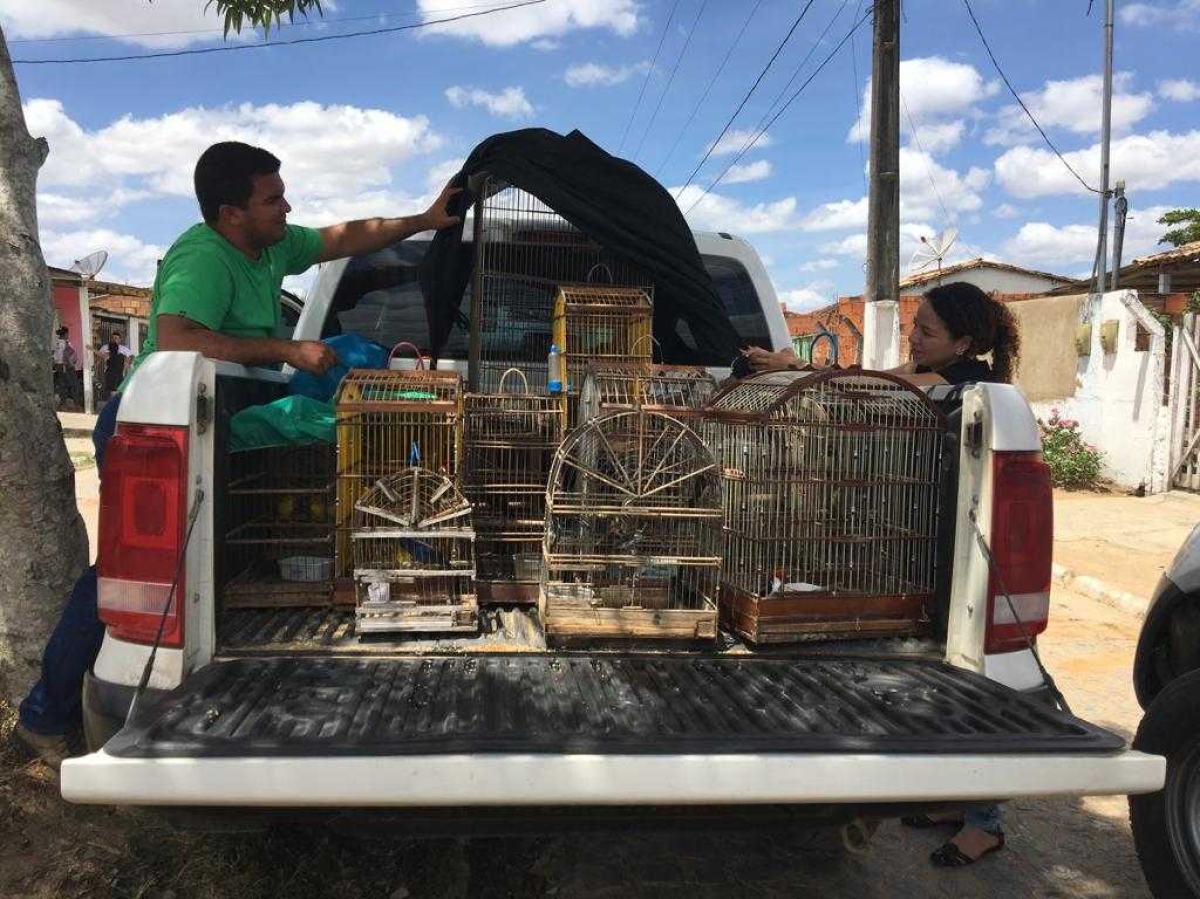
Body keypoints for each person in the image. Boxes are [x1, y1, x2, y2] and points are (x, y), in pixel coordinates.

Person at [16, 140, 462, 767]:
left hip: (227, 410)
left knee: (220, 553)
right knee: (127, 578)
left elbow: (342, 238)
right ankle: (44, 716)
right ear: (231, 213)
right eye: (273, 198)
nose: (287, 207)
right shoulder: (203, 257)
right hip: (161, 417)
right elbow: (174, 340)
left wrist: (423, 220)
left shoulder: (271, 243)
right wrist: (286, 353)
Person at [745, 281, 1021, 866]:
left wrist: (798, 366)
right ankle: (954, 800)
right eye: (914, 324)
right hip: (928, 546)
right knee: (944, 683)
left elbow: (878, 385)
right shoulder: (937, 367)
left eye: (926, 330)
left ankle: (986, 820)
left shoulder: (969, 384)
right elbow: (882, 376)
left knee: (974, 683)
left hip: (963, 551)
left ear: (964, 341)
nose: (913, 337)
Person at [97, 330, 132, 401]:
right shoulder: (105, 347)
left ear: (120, 339)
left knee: (119, 389)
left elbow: (131, 356)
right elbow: (99, 356)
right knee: (109, 389)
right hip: (108, 371)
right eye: (113, 338)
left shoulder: (123, 348)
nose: (114, 339)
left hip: (120, 372)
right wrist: (97, 363)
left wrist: (127, 363)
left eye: (116, 338)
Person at [52, 326, 79, 408]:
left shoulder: (55, 343)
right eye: (67, 334)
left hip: (59, 366)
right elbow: (74, 356)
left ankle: (63, 403)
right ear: (66, 334)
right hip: (68, 366)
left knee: (62, 384)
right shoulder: (67, 343)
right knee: (74, 384)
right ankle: (76, 403)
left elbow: (54, 356)